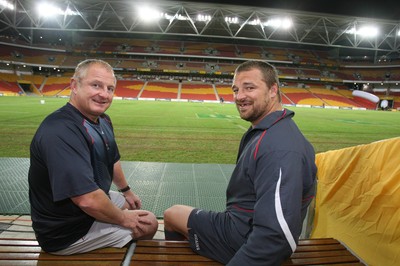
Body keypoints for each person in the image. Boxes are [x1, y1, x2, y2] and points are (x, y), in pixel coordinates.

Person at [163, 60, 317, 265]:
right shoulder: (270, 131)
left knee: (172, 215)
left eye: (250, 88)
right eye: (236, 89)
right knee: (175, 213)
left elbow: (276, 236)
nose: (239, 96)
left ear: (273, 90)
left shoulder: (279, 148)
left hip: (245, 237)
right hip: (244, 223)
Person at [28, 59, 158, 255]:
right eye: (96, 85)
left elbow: (111, 159)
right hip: (65, 232)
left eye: (110, 88)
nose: (104, 94)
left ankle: (116, 235)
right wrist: (125, 219)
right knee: (149, 223)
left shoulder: (103, 120)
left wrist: (126, 191)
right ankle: (113, 254)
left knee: (129, 205)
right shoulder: (59, 130)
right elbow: (88, 200)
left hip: (84, 208)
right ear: (74, 85)